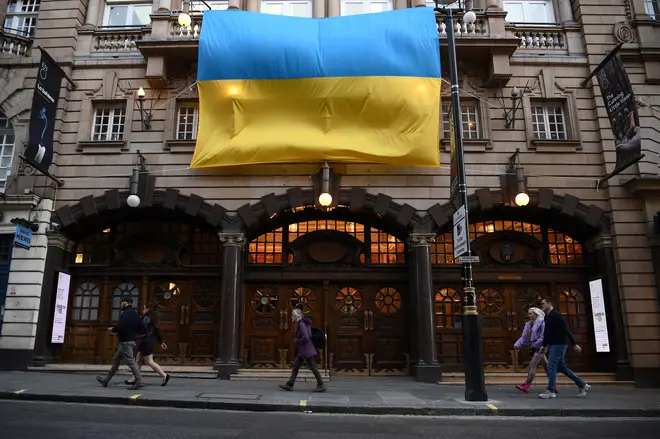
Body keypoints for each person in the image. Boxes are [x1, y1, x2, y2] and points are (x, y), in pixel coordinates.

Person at [538, 297, 591, 399]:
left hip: (560, 344)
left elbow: (566, 329)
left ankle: (551, 391)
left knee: (551, 366)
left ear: (549, 303)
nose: (541, 305)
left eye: (543, 303)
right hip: (554, 344)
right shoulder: (547, 317)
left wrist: (574, 344)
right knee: (561, 367)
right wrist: (544, 346)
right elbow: (547, 333)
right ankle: (582, 384)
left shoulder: (557, 315)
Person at [96, 297, 144, 390]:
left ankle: (139, 381)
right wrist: (133, 332)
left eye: (121, 302)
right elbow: (141, 327)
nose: (120, 304)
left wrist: (112, 329)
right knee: (116, 360)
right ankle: (106, 380)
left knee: (131, 362)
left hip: (125, 341)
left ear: (125, 303)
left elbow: (121, 326)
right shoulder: (135, 314)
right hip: (128, 341)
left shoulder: (124, 314)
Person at [278, 308, 326, 393]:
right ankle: (290, 384)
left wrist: (297, 341)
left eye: (293, 315)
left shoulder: (301, 324)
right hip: (304, 349)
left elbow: (306, 336)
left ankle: (321, 384)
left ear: (296, 316)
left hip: (305, 349)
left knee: (312, 366)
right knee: (296, 365)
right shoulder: (303, 323)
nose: (291, 317)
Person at [513, 307, 557, 394]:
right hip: (536, 346)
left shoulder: (542, 322)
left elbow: (544, 336)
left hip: (541, 346)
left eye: (531, 313)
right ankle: (553, 385)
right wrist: (518, 344)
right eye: (528, 313)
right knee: (546, 366)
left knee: (532, 365)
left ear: (536, 314)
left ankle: (526, 385)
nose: (529, 315)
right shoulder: (529, 324)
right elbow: (525, 336)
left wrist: (537, 344)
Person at [125, 303, 171, 387]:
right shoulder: (152, 318)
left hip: (145, 341)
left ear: (147, 309)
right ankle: (134, 378)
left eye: (144, 308)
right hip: (147, 341)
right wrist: (161, 342)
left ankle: (164, 375)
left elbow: (142, 329)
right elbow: (156, 330)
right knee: (138, 360)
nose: (142, 310)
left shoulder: (146, 318)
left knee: (149, 361)